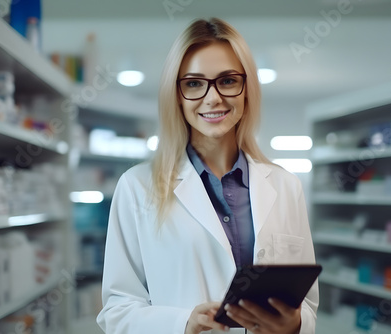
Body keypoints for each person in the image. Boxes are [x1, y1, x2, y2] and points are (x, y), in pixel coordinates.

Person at [97, 18, 318, 334]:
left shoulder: (286, 186)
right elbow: (117, 309)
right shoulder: (137, 187)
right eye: (194, 83)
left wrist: (294, 324)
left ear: (246, 89)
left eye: (227, 81)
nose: (213, 98)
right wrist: (181, 325)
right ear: (176, 94)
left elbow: (307, 304)